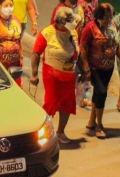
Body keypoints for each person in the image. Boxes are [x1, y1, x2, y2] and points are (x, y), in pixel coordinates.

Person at [30, 7, 81, 144]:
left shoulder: (73, 32)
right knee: (51, 101)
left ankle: (60, 132)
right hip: (52, 74)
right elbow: (36, 53)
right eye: (69, 20)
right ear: (61, 21)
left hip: (69, 75)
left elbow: (77, 52)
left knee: (67, 103)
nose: (73, 23)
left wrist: (82, 69)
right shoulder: (47, 33)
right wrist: (34, 74)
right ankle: (43, 132)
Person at [81, 3, 120, 139]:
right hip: (95, 67)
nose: (108, 20)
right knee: (102, 92)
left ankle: (91, 121)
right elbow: (83, 48)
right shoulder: (90, 28)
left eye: (110, 17)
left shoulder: (112, 27)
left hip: (108, 67)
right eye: (106, 17)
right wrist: (86, 68)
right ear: (99, 16)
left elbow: (116, 45)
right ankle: (99, 125)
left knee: (98, 93)